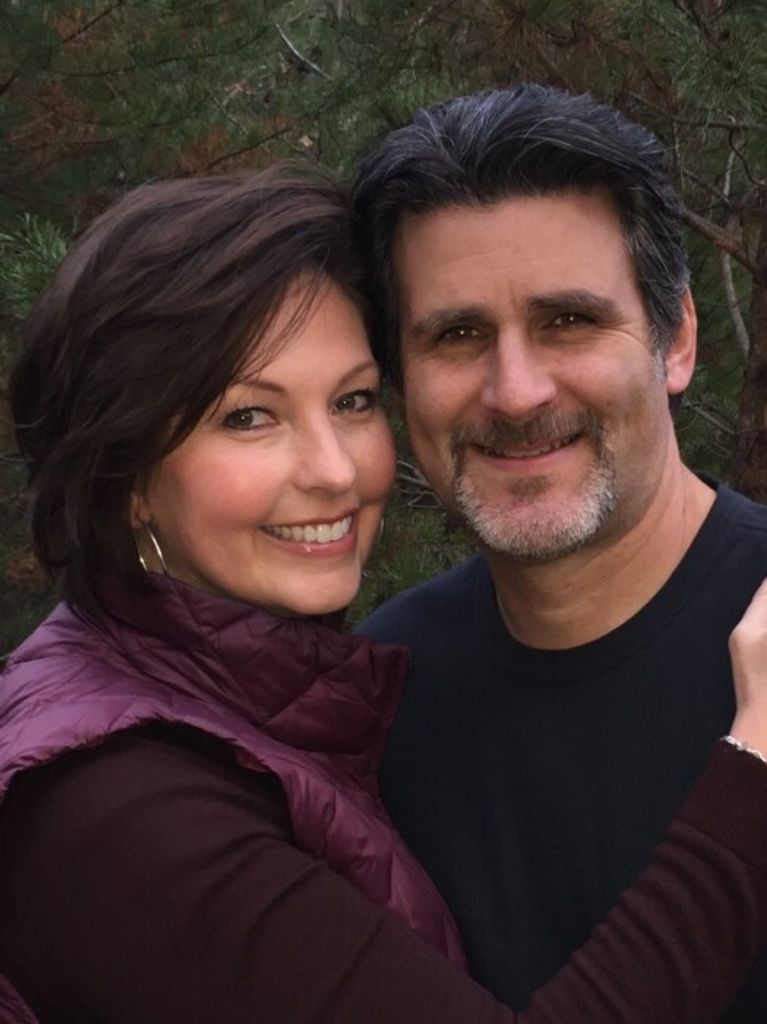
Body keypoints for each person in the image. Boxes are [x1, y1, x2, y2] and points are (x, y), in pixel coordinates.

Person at [0, 165, 766, 1024]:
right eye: (248, 416)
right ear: (126, 475)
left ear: (676, 339)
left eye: (353, 400)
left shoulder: (337, 695)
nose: (333, 471)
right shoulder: (110, 800)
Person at [352, 84, 767, 1022]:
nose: (515, 391)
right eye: (457, 335)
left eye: (567, 321)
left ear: (675, 340)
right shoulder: (377, 697)